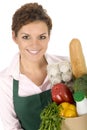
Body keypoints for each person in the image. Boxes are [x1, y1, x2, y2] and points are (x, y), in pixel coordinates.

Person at [0, 2, 68, 130]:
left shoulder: (66, 66)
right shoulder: (5, 81)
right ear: (14, 37)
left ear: (49, 37)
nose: (35, 45)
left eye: (41, 37)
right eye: (26, 37)